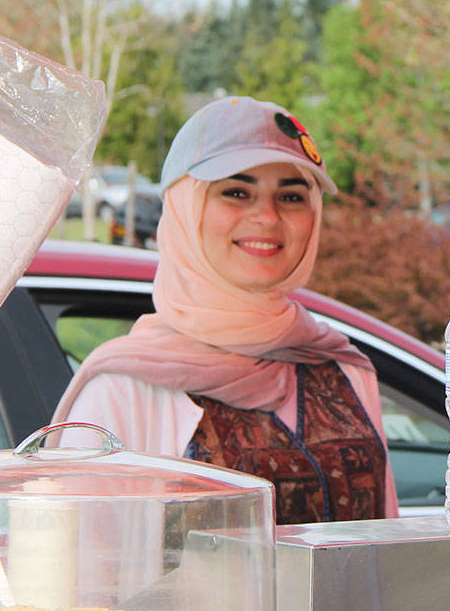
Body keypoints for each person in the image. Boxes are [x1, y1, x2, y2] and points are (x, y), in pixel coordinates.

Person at [52, 96, 397, 523]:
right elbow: (91, 577)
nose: (267, 217)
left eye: (291, 197)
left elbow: (385, 550)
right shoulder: (124, 391)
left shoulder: (343, 369)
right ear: (185, 209)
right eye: (236, 192)